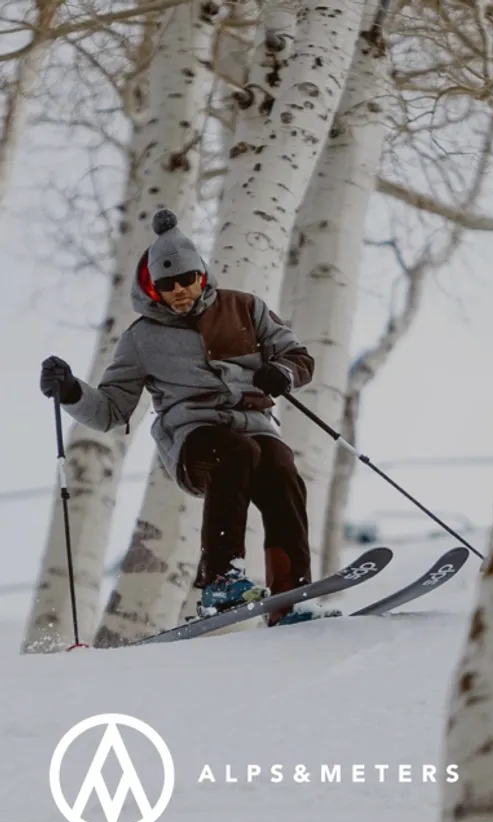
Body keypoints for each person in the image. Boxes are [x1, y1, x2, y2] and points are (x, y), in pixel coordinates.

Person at [40, 208, 318, 627]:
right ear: (154, 286)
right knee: (236, 452)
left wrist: (282, 372)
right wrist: (70, 392)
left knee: (280, 466)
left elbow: (298, 356)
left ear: (201, 274)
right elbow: (111, 410)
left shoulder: (245, 308)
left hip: (255, 425)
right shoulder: (141, 338)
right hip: (194, 438)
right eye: (168, 285)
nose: (180, 290)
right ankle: (220, 580)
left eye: (187, 279)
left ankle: (291, 597)